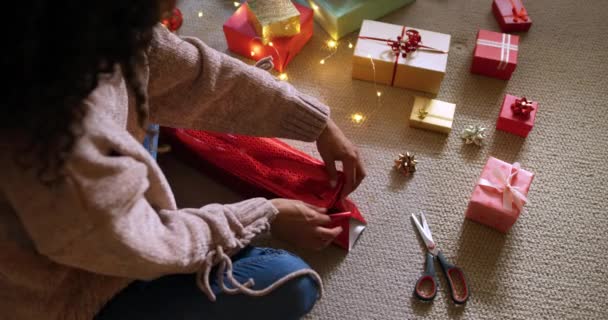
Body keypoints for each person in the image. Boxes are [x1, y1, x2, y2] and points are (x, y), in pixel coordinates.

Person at [0, 0, 366, 319]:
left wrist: (316, 122)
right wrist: (267, 214)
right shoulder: (57, 149)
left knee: (171, 103)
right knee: (290, 282)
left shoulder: (88, 24)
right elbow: (154, 244)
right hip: (66, 293)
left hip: (93, 208)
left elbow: (190, 72)